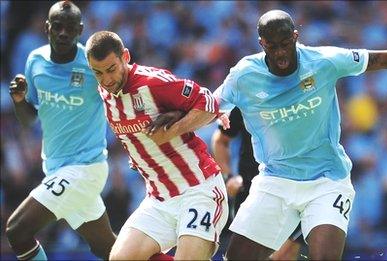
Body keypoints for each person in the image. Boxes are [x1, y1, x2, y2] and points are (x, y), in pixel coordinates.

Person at [212, 9, 387, 260]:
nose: (279, 54)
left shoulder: (324, 61)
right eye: (272, 46)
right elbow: (209, 106)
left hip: (327, 180)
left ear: (296, 36)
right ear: (261, 43)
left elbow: (382, 59)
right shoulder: (245, 75)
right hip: (275, 180)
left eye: (285, 44)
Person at [85, 30, 229, 261]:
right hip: (159, 198)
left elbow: (209, 103)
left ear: (126, 56)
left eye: (111, 69)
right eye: (98, 73)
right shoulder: (103, 93)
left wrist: (173, 130)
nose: (107, 80)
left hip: (199, 189)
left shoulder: (153, 83)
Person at [5, 1, 116, 260]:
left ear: (80, 30)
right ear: (47, 28)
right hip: (55, 169)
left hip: (85, 169)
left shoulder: (92, 65)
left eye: (69, 29)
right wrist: (20, 101)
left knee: (17, 230)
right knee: (110, 250)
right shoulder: (35, 61)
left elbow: (122, 90)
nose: (63, 33)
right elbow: (29, 119)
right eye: (57, 27)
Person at [211, 107, 304, 260]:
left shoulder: (302, 99)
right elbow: (220, 140)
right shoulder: (246, 98)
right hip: (251, 191)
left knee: (284, 254)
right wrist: (229, 176)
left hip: (294, 188)